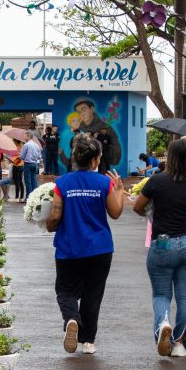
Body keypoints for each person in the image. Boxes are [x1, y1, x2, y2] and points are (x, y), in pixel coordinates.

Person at [132, 139, 186, 358]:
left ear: (169, 157)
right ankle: (178, 343)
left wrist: (154, 214)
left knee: (161, 294)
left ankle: (162, 326)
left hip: (162, 244)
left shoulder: (156, 182)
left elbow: (138, 207)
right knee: (185, 296)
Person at [46, 134, 125, 355]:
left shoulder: (63, 183)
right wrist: (118, 191)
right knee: (93, 293)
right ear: (95, 160)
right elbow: (115, 213)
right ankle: (88, 341)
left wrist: (49, 226)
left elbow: (54, 217)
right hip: (100, 248)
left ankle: (71, 318)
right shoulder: (104, 182)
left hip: (69, 247)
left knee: (65, 290)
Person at [19, 131, 42, 198]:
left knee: (28, 181)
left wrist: (21, 156)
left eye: (25, 136)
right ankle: (34, 196)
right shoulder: (36, 145)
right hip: (35, 164)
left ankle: (28, 196)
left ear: (28, 136)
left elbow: (22, 156)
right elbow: (39, 156)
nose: (24, 137)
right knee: (34, 180)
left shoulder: (26, 145)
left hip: (28, 164)